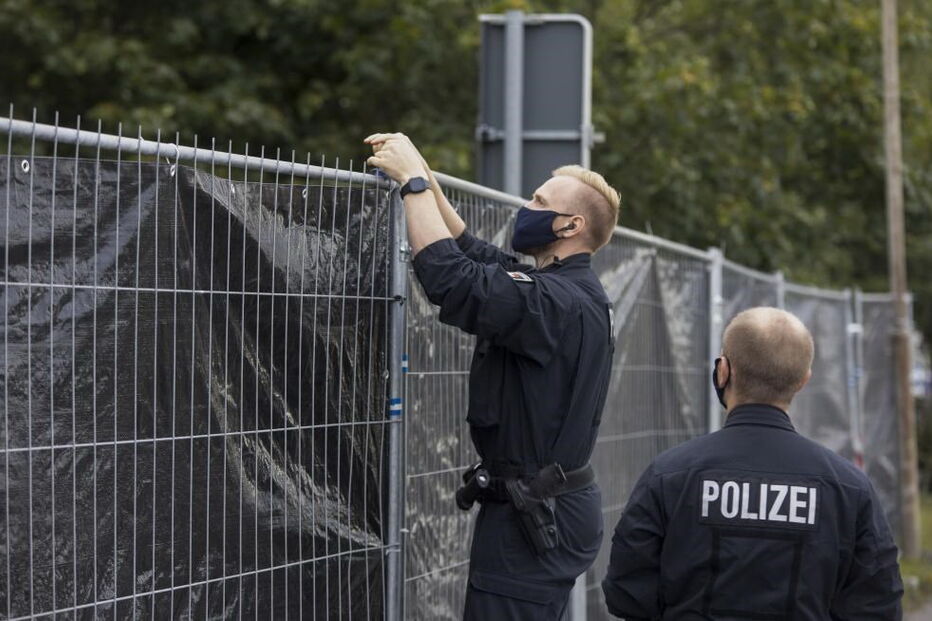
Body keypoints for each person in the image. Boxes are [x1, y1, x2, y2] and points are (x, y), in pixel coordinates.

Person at [365, 132, 620, 620]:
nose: (528, 206)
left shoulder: (555, 302)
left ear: (571, 224)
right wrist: (424, 175)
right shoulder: (570, 289)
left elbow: (451, 279)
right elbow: (472, 253)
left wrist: (413, 184)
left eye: (540, 200)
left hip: (532, 517)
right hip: (551, 505)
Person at [601, 307, 904, 619]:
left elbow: (627, 594)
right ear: (803, 380)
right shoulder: (849, 488)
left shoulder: (669, 474)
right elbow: (877, 605)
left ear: (723, 371)